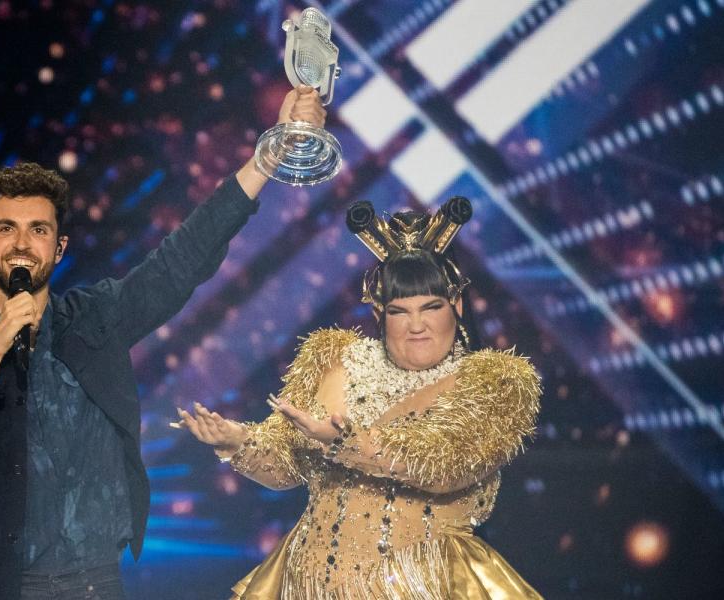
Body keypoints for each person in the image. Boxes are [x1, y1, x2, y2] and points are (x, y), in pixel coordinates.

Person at [0, 88, 326, 599]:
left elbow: (181, 260)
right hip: (0, 585)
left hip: (94, 584)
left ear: (59, 247)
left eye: (38, 229)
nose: (21, 243)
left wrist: (269, 155)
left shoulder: (97, 318)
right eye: (6, 229)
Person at [178, 201, 544, 599]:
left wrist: (346, 443)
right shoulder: (333, 359)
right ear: (378, 314)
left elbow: (446, 467)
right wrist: (237, 443)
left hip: (421, 583)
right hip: (309, 583)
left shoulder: (494, 382)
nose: (417, 325)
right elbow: (285, 466)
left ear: (455, 305)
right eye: (399, 311)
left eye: (431, 308)